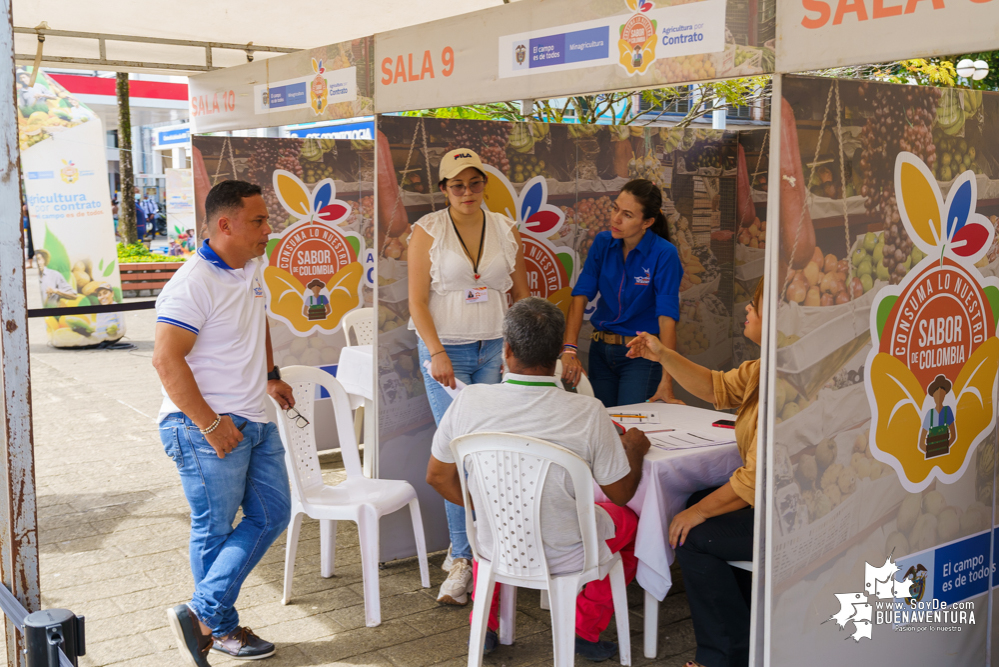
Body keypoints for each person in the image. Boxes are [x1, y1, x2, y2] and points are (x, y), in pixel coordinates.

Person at [426, 297, 650, 661]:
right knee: (635, 524)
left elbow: (436, 476)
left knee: (492, 523)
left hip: (495, 544)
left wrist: (487, 508)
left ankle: (486, 625)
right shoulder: (588, 412)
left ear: (507, 350)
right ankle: (583, 629)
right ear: (560, 355)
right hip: (567, 553)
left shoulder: (468, 402)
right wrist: (635, 450)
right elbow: (621, 493)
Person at [152, 180, 295, 666]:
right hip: (204, 427)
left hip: (253, 416)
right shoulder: (192, 283)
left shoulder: (252, 266)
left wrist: (270, 375)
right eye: (258, 221)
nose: (268, 230)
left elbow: (260, 321)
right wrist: (211, 425)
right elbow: (167, 361)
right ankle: (222, 629)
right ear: (224, 225)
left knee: (274, 513)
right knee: (214, 528)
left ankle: (200, 614)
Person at [408, 147, 530, 606]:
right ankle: (462, 559)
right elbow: (417, 301)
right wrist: (436, 351)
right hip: (447, 353)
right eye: (456, 184)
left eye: (474, 183)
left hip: (495, 350)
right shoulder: (428, 230)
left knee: (493, 450)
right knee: (457, 453)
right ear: (444, 189)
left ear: (484, 185)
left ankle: (497, 549)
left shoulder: (504, 226)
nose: (466, 192)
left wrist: (517, 351)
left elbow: (519, 294)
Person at [626, 278, 765, 667]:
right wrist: (662, 354)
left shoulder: (785, 385)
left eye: (755, 306)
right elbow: (714, 386)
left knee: (692, 533)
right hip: (770, 502)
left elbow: (754, 481)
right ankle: (747, 637)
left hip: (789, 515)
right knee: (692, 505)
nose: (747, 311)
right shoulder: (762, 369)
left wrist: (697, 514)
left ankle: (723, 657)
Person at [560, 179, 684, 408]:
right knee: (604, 424)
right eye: (615, 208)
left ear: (647, 221)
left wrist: (667, 381)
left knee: (633, 427)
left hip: (641, 356)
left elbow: (667, 320)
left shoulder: (664, 254)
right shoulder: (602, 243)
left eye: (627, 215)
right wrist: (569, 348)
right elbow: (580, 296)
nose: (615, 219)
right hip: (600, 352)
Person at [920, 374, 955, 458]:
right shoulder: (930, 414)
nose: (939, 397)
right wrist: (931, 451)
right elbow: (921, 443)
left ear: (945, 395)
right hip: (930, 454)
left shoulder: (948, 411)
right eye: (937, 394)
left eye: (942, 394)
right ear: (933, 396)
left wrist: (944, 448)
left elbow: (953, 436)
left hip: (945, 453)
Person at [22, 204, 33, 269]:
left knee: (30, 244)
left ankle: (30, 263)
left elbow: (25, 213)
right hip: (30, 225)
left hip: (32, 225)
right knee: (30, 244)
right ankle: (30, 263)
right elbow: (25, 213)